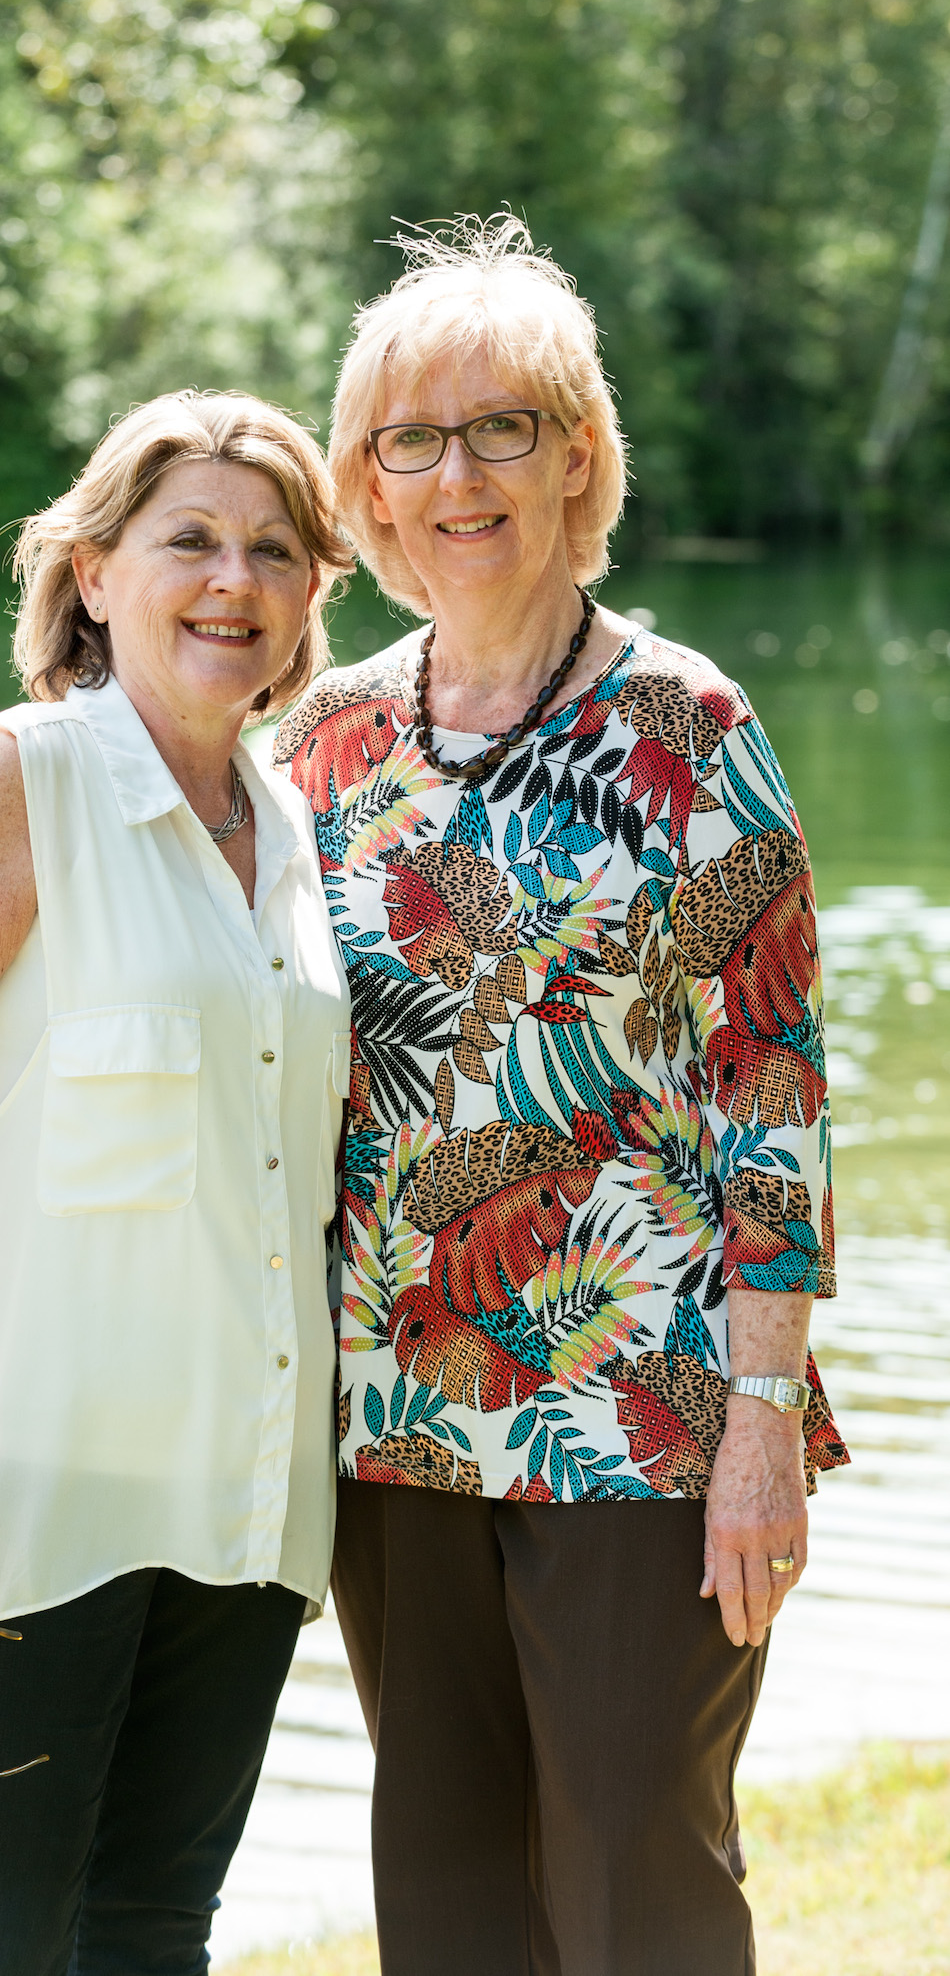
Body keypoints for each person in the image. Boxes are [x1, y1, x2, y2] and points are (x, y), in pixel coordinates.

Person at [273, 217, 849, 1976]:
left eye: (500, 429)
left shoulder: (686, 725)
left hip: (647, 1405)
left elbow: (772, 1088)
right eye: (410, 441)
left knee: (628, 1872)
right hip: (395, 1407)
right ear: (367, 486)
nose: (455, 477)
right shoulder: (327, 739)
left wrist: (764, 1416)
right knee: (442, 1874)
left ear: (577, 455)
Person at [0, 391, 353, 1975]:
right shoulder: (17, 780)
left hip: (245, 1503)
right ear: (95, 572)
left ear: (310, 592)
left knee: (154, 1931)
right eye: (190, 540)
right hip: (34, 1492)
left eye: (272, 550)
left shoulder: (292, 824)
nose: (233, 580)